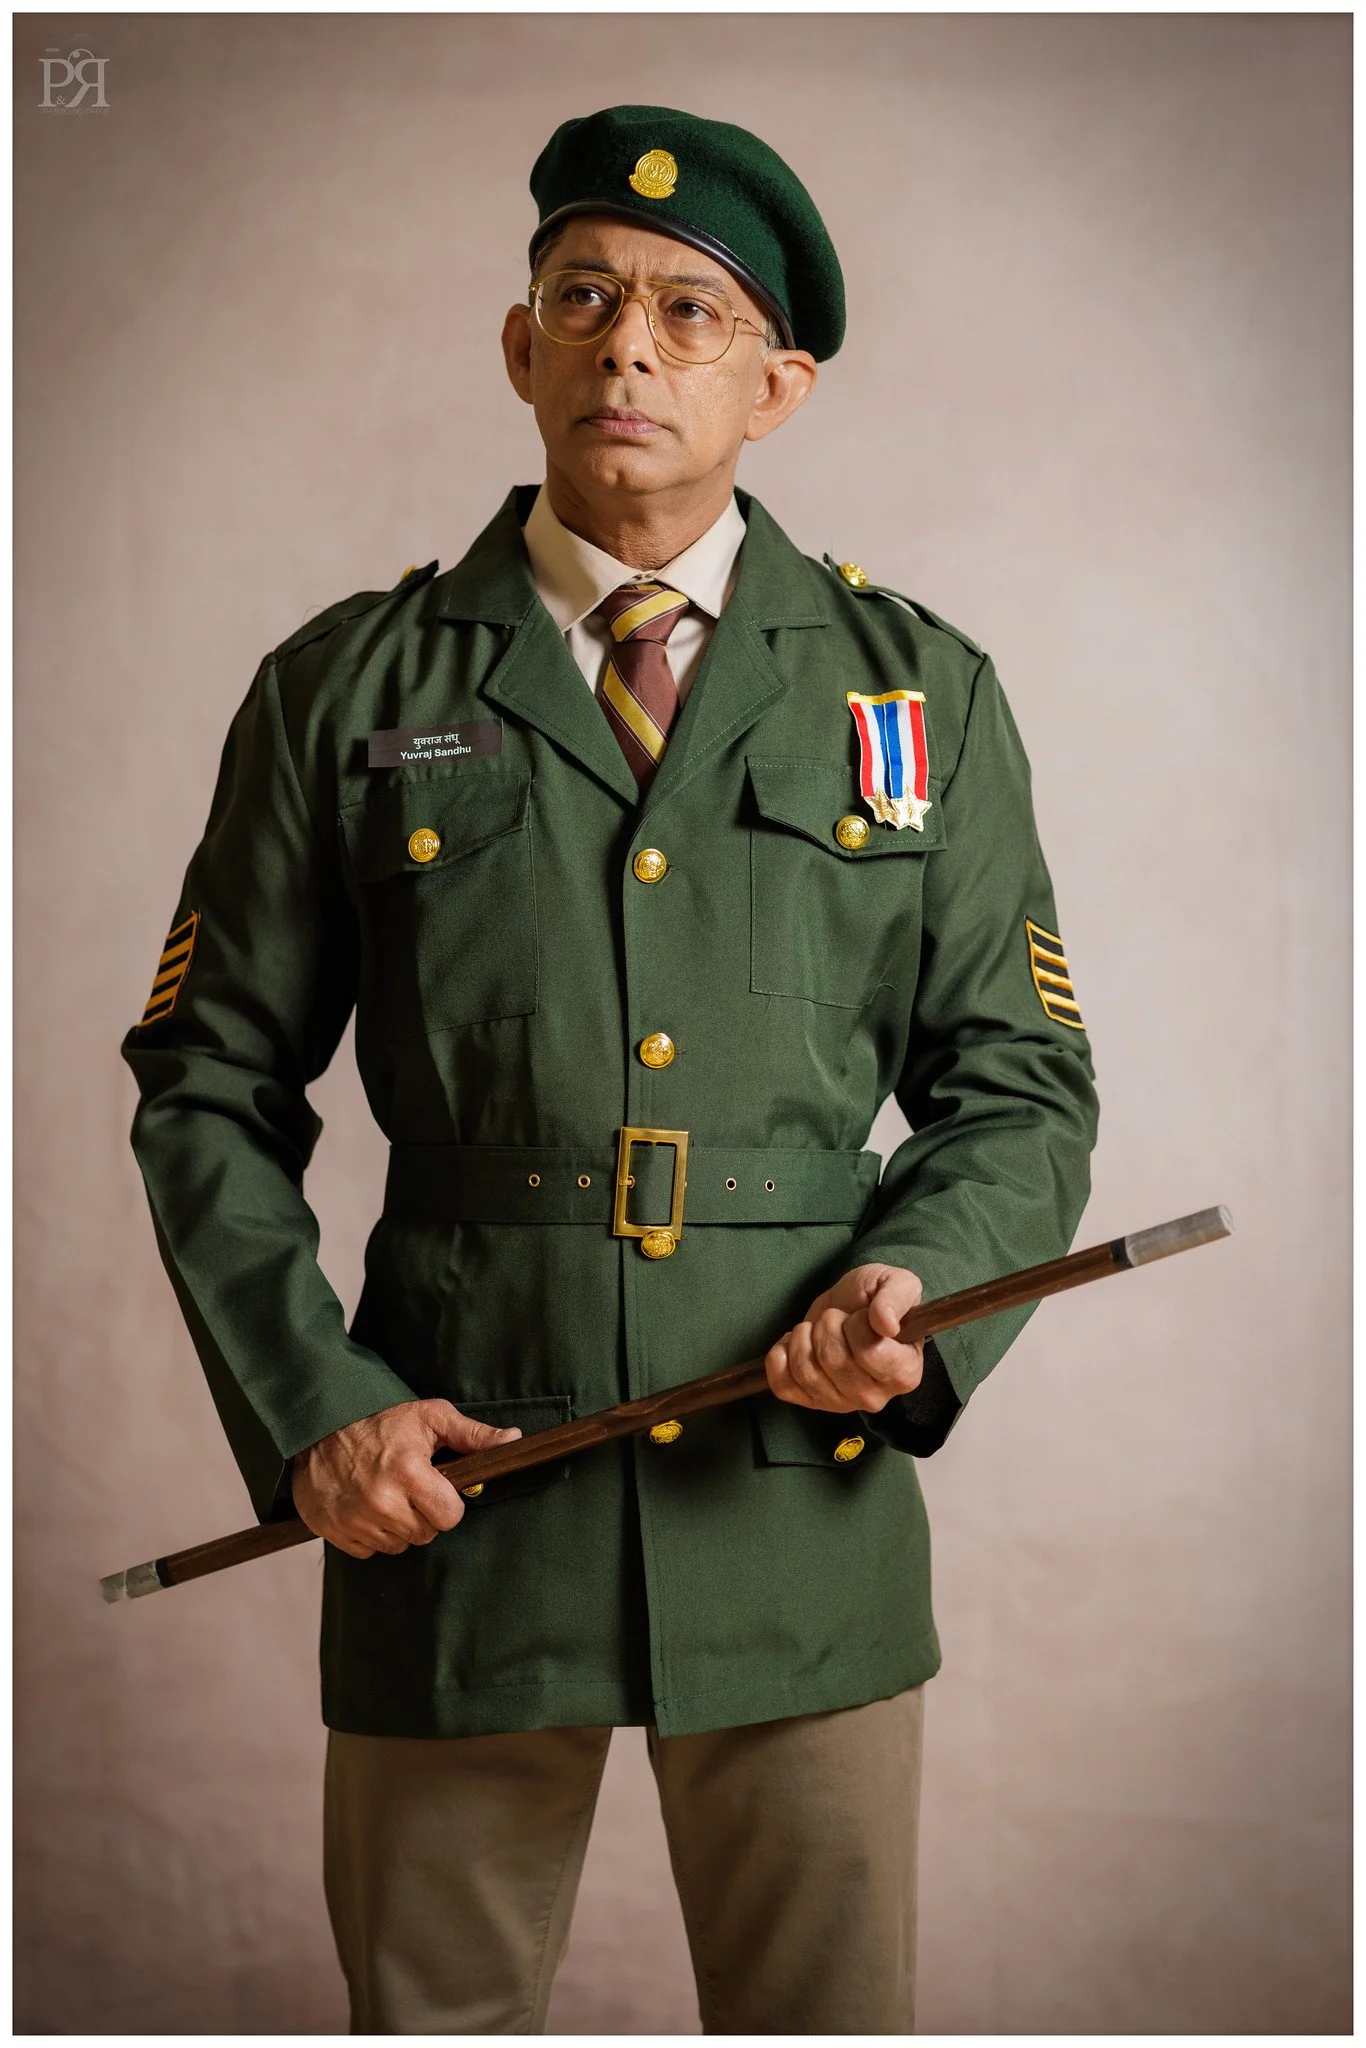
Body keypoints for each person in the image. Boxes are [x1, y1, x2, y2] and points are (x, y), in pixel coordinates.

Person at [122, 103, 1099, 2034]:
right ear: (520, 347)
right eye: (583, 299)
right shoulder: (351, 691)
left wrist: (912, 1297)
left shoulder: (914, 694)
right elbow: (206, 1085)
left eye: (686, 312)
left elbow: (1018, 1088)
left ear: (777, 383)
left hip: (793, 1493)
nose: (627, 347)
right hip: (455, 1492)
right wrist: (320, 1405)